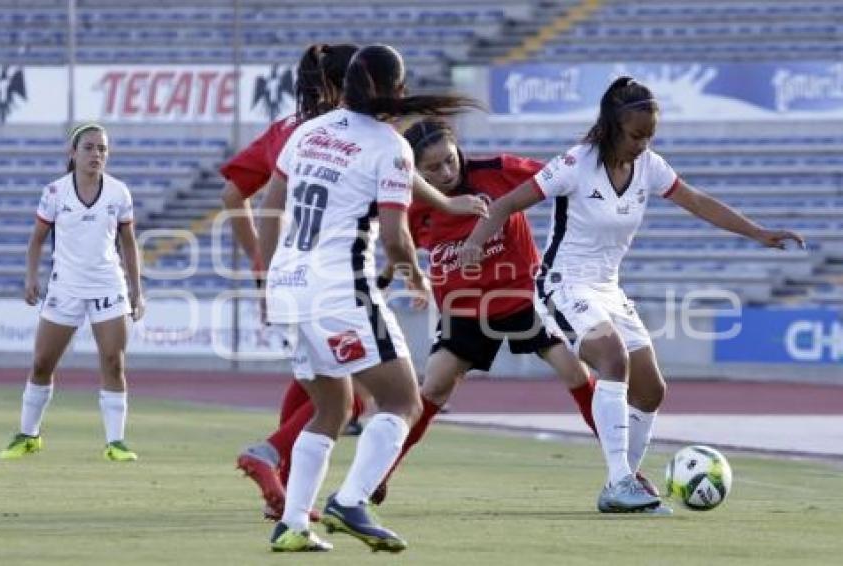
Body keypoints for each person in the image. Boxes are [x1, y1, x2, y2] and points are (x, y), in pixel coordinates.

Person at [461, 76, 806, 514]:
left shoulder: (650, 166)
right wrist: (474, 243)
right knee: (612, 358)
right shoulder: (575, 163)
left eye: (650, 136)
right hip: (564, 282)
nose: (643, 144)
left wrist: (758, 232)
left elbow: (697, 201)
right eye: (636, 134)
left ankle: (625, 483)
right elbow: (507, 204)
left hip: (608, 287)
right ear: (611, 126)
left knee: (650, 390)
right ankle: (620, 480)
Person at [222, 43, 486, 522]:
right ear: (397, 90)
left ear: (343, 87)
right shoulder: (389, 145)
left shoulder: (306, 132)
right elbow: (395, 235)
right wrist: (416, 278)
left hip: (290, 283)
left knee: (334, 405)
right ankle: (349, 501)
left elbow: (269, 207)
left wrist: (266, 280)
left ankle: (293, 523)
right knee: (403, 400)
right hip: (340, 287)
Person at [369, 119, 599, 506]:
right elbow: (399, 241)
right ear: (415, 170)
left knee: (574, 370)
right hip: (464, 308)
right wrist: (391, 276)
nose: (446, 172)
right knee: (433, 387)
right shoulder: (413, 201)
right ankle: (379, 473)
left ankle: (625, 469)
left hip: (522, 296)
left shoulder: (498, 172)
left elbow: (559, 177)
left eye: (450, 160)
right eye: (433, 168)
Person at [0, 123, 145, 462]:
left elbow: (129, 243)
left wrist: (138, 290)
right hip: (65, 286)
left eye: (102, 149)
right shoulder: (55, 192)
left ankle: (115, 442)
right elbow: (36, 239)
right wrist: (31, 277)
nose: (97, 154)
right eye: (90, 147)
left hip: (108, 285)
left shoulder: (119, 193)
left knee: (113, 361)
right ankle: (28, 434)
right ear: (73, 153)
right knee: (41, 363)